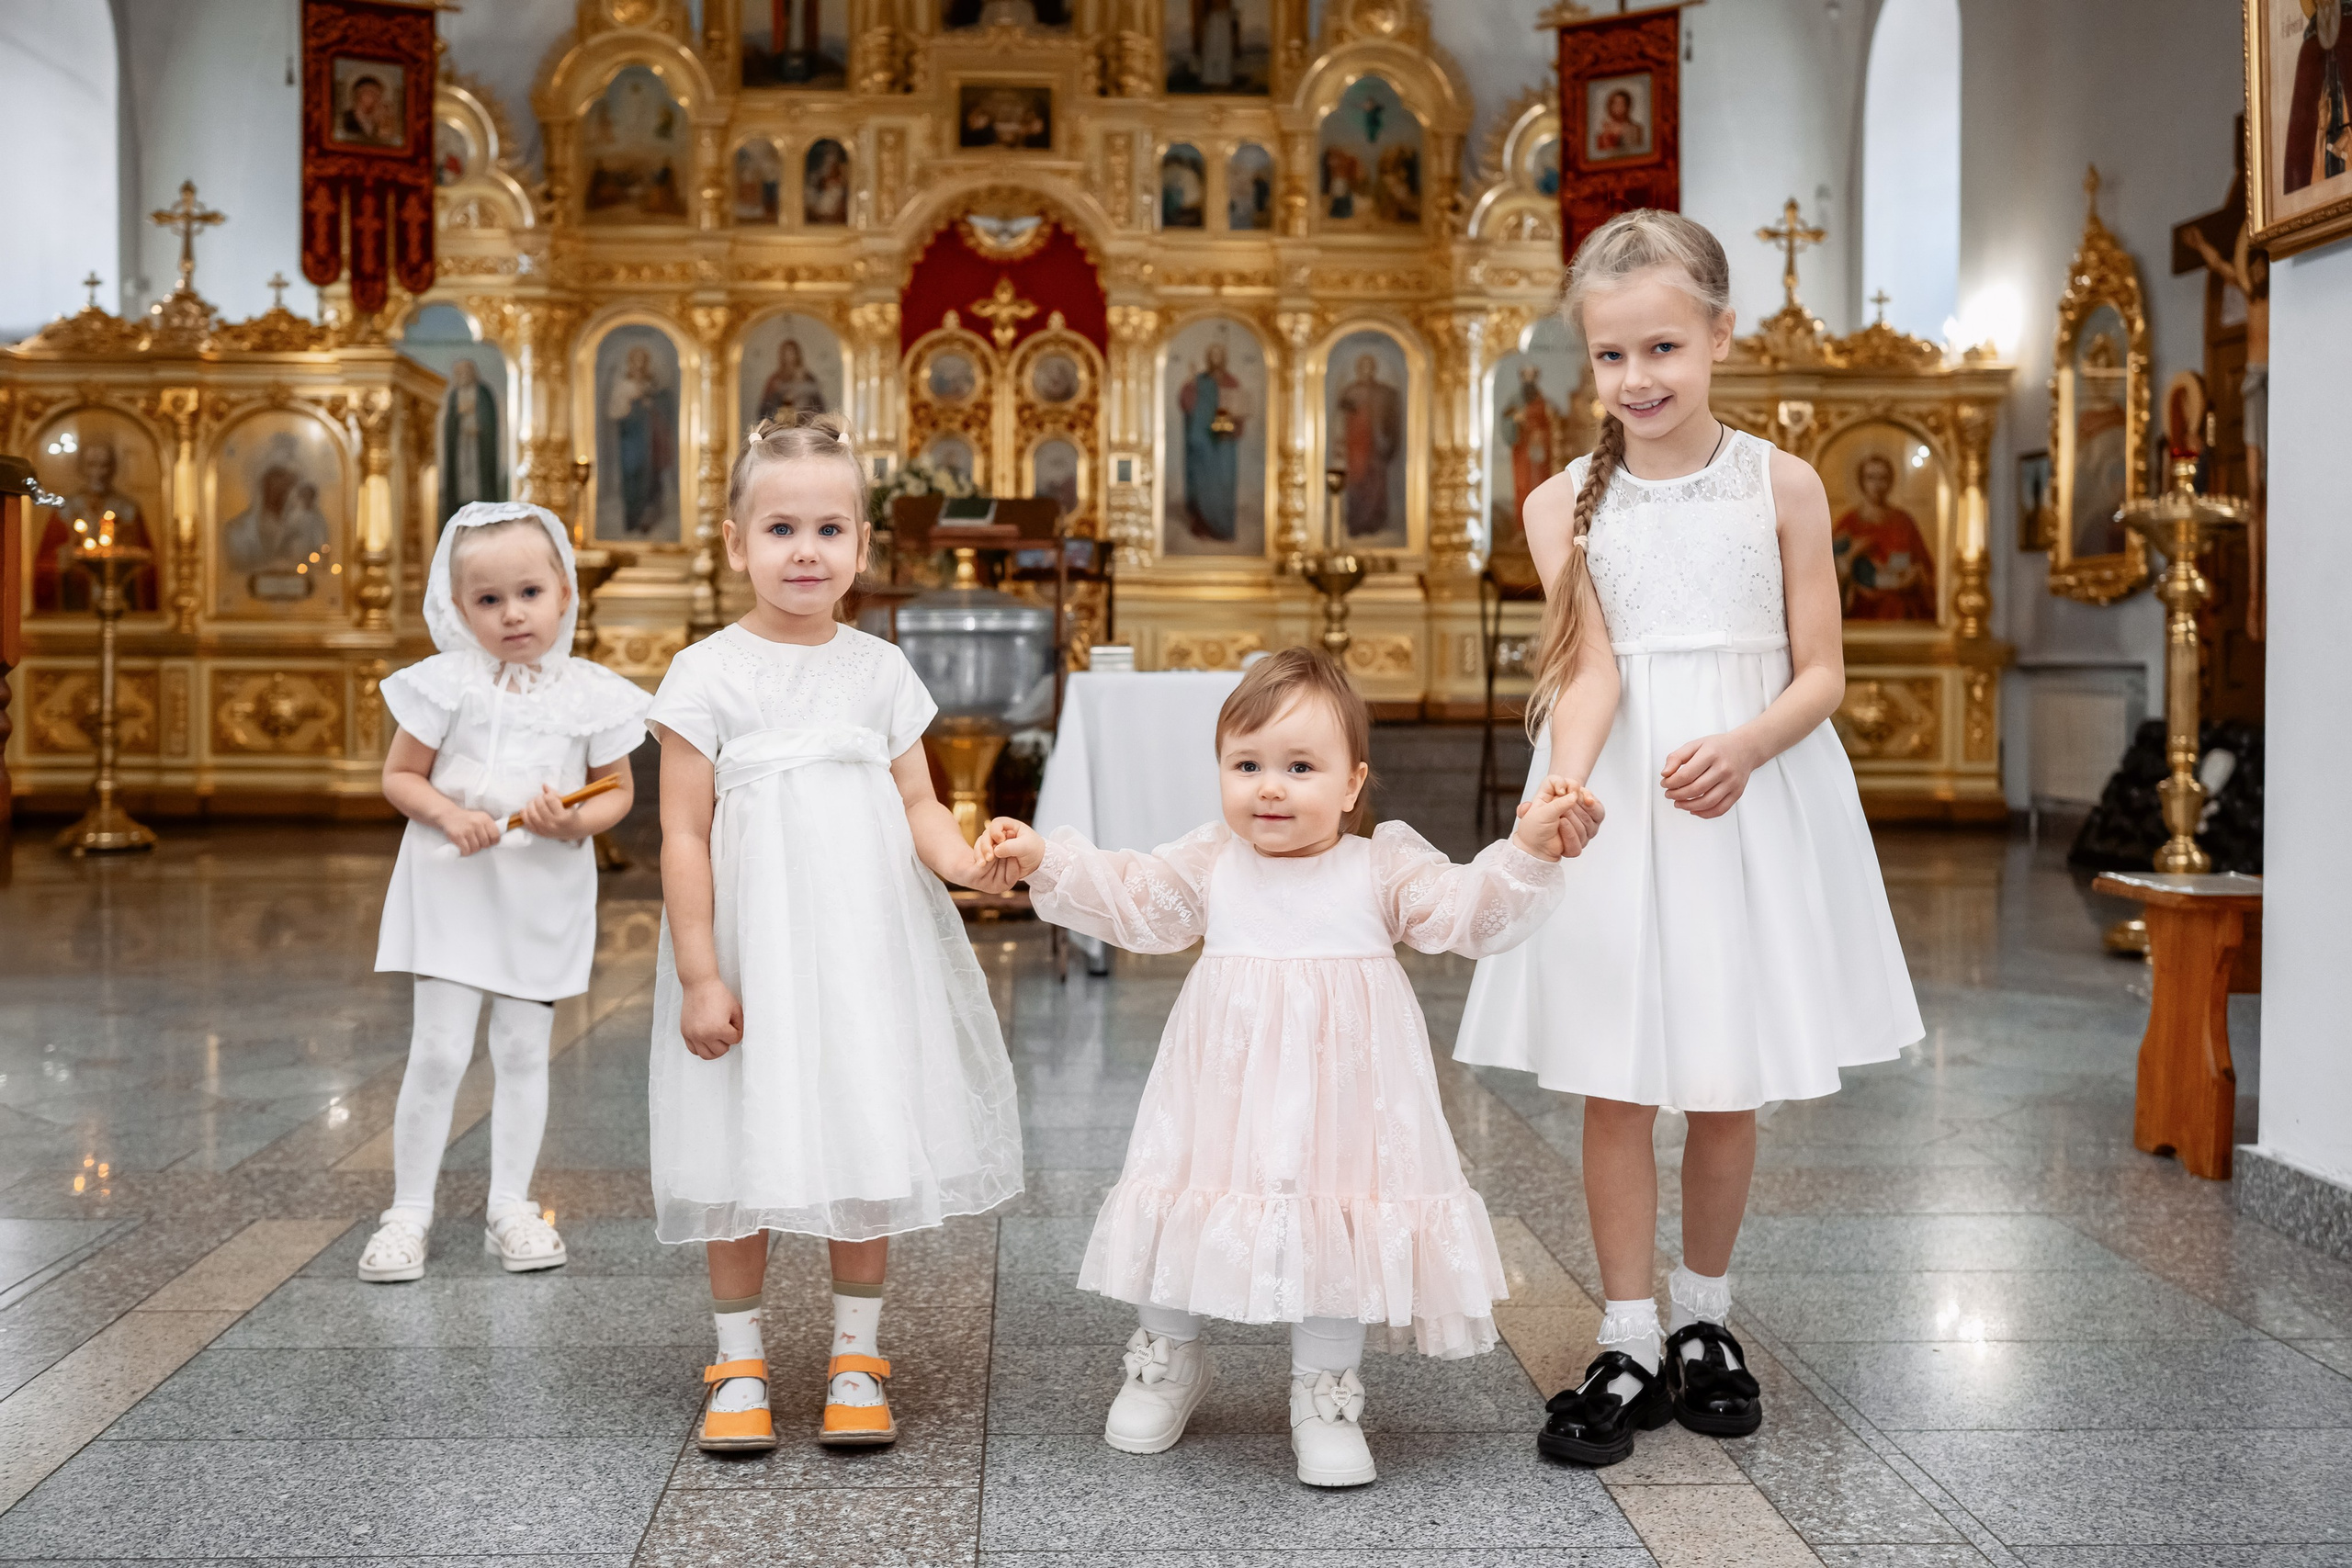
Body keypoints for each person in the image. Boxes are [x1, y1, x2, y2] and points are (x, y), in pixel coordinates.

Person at [1453, 210, 1921, 1468]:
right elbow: (1587, 671)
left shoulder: (1784, 481)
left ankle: (1707, 1314)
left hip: (1746, 790)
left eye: (1663, 345)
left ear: (1720, 333)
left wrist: (1749, 743)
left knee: (1724, 1075)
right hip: (1623, 797)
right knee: (1618, 1074)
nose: (1639, 379)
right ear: (1584, 359)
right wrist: (1559, 792)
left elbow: (1821, 671)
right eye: (1611, 357)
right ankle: (1627, 1330)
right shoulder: (1562, 501)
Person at [978, 649, 1601, 1488]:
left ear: (1352, 783)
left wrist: (1527, 850)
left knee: (1332, 1221)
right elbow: (1136, 895)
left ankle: (1326, 1389)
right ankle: (1168, 1355)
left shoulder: (1381, 868)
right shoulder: (1212, 863)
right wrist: (1047, 859)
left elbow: (1467, 912)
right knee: (1185, 1196)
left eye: (1299, 767)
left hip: (1345, 1100)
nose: (1269, 787)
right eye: (1247, 765)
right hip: (1220, 1092)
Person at [646, 413, 1024, 1454]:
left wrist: (965, 862)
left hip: (863, 952)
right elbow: (681, 829)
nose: (805, 550)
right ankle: (738, 1361)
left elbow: (918, 806)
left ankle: (859, 1356)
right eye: (779, 529)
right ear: (734, 543)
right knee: (738, 1141)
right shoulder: (706, 673)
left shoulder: (878, 672)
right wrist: (698, 973)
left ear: (862, 544)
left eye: (828, 529)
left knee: (862, 1130)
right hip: (754, 952)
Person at [361, 502, 651, 1284]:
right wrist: (451, 814)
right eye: (488, 601)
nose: (512, 614)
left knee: (524, 1050)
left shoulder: (594, 693)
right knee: (441, 1047)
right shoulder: (443, 684)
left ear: (563, 593)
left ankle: (511, 1205)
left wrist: (572, 824)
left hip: (541, 886)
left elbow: (617, 791)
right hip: (453, 878)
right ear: (459, 610)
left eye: (529, 593)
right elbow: (399, 776)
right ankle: (408, 1211)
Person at [32, 440, 157, 614]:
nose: (98, 473)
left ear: (113, 468)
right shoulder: (65, 508)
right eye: (91, 465)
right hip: (74, 605)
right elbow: (44, 566)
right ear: (81, 468)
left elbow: (148, 569)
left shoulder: (128, 509)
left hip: (121, 602)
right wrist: (64, 556)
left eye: (104, 465)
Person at [1831, 452, 1937, 620]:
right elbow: (1829, 571)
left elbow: (1925, 568)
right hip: (1861, 612)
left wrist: (1915, 575)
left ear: (1890, 481)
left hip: (1899, 611)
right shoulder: (1849, 523)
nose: (1877, 485)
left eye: (1883, 478)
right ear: (1861, 481)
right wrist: (1851, 556)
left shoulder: (1904, 521)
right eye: (1871, 478)